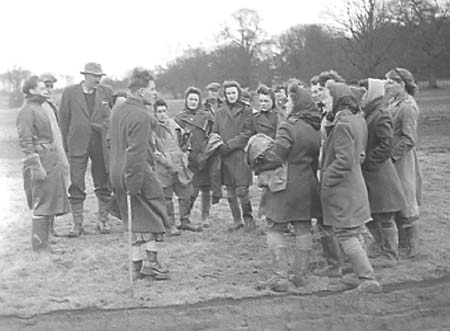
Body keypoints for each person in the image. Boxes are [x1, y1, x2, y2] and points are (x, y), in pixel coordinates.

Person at [251, 85, 322, 292]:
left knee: (274, 227)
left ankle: (280, 276)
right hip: (307, 184)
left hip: (285, 186)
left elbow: (276, 157)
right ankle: (299, 275)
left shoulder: (288, 127)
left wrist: (257, 163)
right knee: (302, 227)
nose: (286, 105)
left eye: (289, 102)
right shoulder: (315, 128)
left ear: (297, 104)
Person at [109, 68, 170, 280]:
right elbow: (136, 154)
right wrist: (133, 185)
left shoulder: (118, 110)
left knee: (134, 222)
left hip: (117, 173)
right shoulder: (142, 116)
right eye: (153, 89)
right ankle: (152, 265)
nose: (156, 93)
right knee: (151, 219)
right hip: (136, 174)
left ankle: (136, 267)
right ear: (141, 91)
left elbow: (112, 144)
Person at [321, 82, 381, 293]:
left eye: (327, 98)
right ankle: (358, 275)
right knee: (355, 232)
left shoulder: (343, 125)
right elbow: (358, 155)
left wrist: (327, 177)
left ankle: (367, 279)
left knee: (346, 234)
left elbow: (344, 160)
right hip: (355, 185)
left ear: (338, 100)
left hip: (343, 189)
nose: (323, 102)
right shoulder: (357, 120)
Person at [59, 62, 114, 237]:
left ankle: (103, 221)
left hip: (100, 144)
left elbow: (110, 116)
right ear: (85, 76)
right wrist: (64, 146)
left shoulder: (107, 92)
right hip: (77, 144)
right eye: (94, 76)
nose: (98, 79)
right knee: (76, 183)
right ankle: (78, 224)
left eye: (100, 76)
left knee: (103, 182)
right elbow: (64, 121)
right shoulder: (69, 93)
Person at [17, 76, 70, 252]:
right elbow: (25, 142)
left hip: (50, 159)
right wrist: (36, 166)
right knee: (42, 203)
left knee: (50, 200)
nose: (46, 90)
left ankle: (45, 243)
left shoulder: (39, 107)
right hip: (41, 161)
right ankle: (39, 247)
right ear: (31, 91)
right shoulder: (27, 111)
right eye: (42, 88)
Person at [357, 78, 406, 268]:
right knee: (372, 215)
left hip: (380, 174)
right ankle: (380, 248)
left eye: (364, 92)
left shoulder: (380, 114)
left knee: (385, 217)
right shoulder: (370, 113)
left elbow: (387, 145)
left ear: (372, 93)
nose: (361, 97)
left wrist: (369, 161)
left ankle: (390, 254)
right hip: (372, 173)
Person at [384, 68, 422, 259]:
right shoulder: (392, 103)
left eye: (392, 81)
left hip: (402, 160)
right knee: (395, 198)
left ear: (403, 83)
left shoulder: (407, 106)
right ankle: (401, 243)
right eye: (386, 81)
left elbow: (409, 139)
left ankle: (412, 246)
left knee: (407, 199)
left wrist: (392, 157)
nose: (388, 84)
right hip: (392, 160)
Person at [153, 98, 201, 233]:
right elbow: (153, 151)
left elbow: (183, 141)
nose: (162, 114)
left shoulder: (173, 124)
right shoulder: (153, 128)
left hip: (179, 165)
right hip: (163, 168)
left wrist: (185, 153)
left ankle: (185, 221)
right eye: (159, 112)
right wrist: (165, 161)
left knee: (185, 194)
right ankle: (170, 225)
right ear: (155, 113)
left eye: (164, 111)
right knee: (166, 198)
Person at [213, 80, 255, 231]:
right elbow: (215, 132)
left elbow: (247, 132)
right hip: (224, 156)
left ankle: (248, 218)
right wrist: (218, 145)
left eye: (233, 93)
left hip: (240, 154)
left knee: (242, 190)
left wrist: (229, 145)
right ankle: (237, 220)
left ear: (238, 93)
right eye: (228, 93)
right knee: (230, 191)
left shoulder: (246, 110)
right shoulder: (219, 112)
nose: (231, 96)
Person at [175, 87, 214, 228]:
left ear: (199, 101)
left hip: (204, 155)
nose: (193, 102)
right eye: (190, 99)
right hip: (188, 158)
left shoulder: (206, 116)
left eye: (195, 100)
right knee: (190, 190)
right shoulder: (180, 118)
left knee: (205, 188)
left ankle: (205, 216)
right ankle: (185, 217)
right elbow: (176, 138)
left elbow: (213, 132)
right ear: (186, 100)